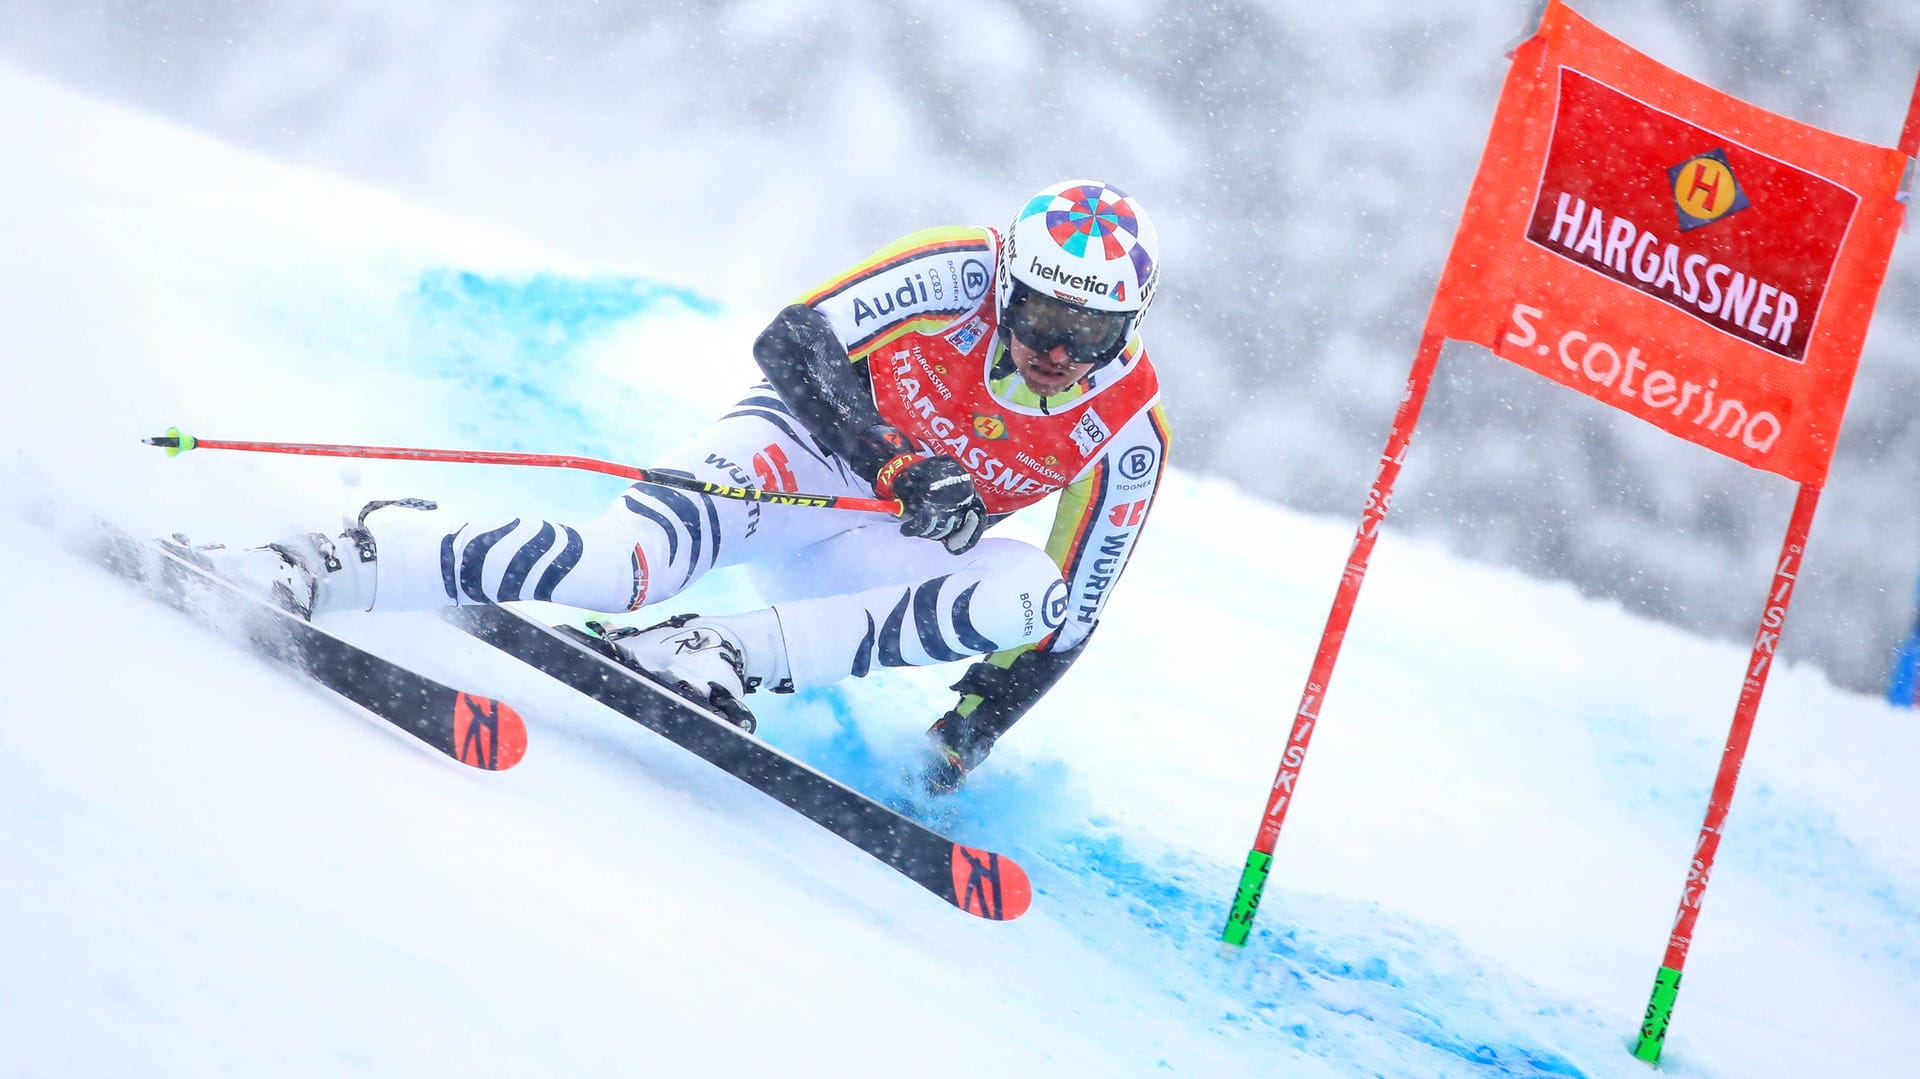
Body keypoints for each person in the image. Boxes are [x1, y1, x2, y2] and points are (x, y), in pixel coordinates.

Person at [201, 179, 1170, 792]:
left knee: (1032, 593)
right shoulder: (955, 269)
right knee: (621, 570)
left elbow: (1073, 613)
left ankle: (712, 651)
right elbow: (794, 339)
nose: (1053, 348)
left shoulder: (1126, 430)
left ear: (1125, 326)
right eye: (1039, 313)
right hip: (798, 457)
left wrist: (966, 734)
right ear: (1007, 286)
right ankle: (331, 558)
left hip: (881, 549)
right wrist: (895, 458)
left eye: (1086, 332)